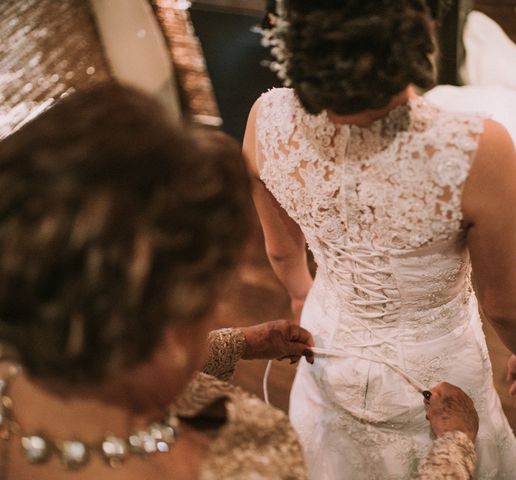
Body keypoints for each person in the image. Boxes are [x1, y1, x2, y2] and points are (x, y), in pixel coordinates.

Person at [0, 82, 484, 479]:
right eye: (212, 299)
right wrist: (455, 451)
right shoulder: (244, 465)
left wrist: (239, 345)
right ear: (169, 332)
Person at [244, 0, 516, 478]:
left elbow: (281, 248)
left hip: (328, 336)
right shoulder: (477, 150)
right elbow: (506, 303)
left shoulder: (265, 119)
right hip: (439, 367)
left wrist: (303, 293)